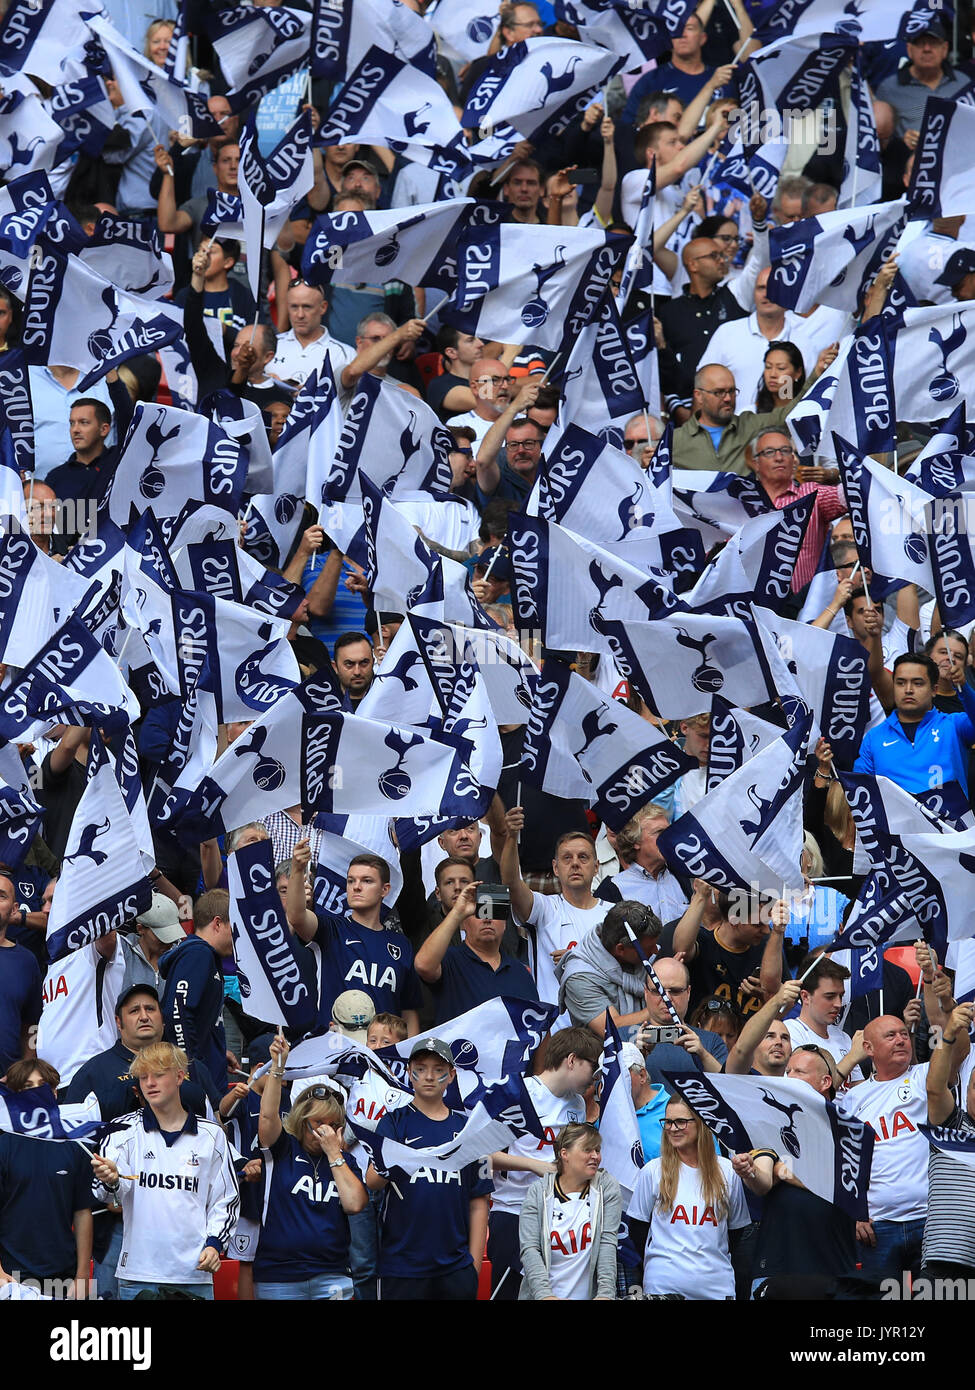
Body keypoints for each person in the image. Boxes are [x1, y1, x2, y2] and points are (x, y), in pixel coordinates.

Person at [62, 982, 221, 1300]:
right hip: (117, 1225)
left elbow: (216, 1132)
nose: (144, 1016)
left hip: (183, 1227)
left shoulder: (191, 1068)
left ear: (163, 1019)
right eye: (134, 1010)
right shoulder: (93, 1073)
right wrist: (104, 1192)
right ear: (118, 1023)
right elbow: (72, 1145)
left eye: (151, 1008)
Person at [837, 987, 967, 1284]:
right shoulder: (853, 1099)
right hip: (878, 1227)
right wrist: (853, 1213)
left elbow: (958, 1052)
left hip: (931, 1222)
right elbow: (843, 1162)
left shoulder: (925, 1075)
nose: (900, 1039)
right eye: (890, 1036)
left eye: (903, 1034)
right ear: (868, 1049)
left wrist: (951, 1016)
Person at [90, 1043, 240, 1300]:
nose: (150, 1083)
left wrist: (215, 1244)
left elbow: (225, 1200)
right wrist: (112, 1180)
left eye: (158, 1074)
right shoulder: (120, 1131)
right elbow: (105, 1192)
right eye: (144, 1076)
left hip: (194, 1273)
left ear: (180, 1076)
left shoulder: (212, 1136)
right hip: (138, 1274)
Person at [733, 1043, 865, 1299]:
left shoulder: (849, 1129)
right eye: (788, 1071)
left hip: (834, 1265)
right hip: (777, 1264)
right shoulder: (770, 1124)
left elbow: (841, 1181)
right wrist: (749, 1171)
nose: (790, 1077)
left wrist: (781, 1170)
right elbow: (762, 1183)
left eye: (799, 1072)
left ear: (825, 1081)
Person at [366, 1037, 492, 1300]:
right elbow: (372, 1181)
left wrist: (473, 1268)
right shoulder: (393, 1122)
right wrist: (403, 1156)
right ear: (409, 1072)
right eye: (421, 1068)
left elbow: (479, 1201)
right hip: (402, 1266)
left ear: (451, 1075)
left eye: (438, 1069)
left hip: (456, 1268)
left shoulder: (470, 1128)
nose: (429, 1076)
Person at [252, 1036, 368, 1300]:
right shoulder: (283, 1149)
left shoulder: (344, 1162)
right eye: (318, 1122)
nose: (325, 1129)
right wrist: (277, 1068)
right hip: (279, 1277)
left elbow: (355, 1204)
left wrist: (333, 1154)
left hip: (333, 1275)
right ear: (303, 1120)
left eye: (333, 1123)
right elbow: (268, 1117)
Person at [489, 1026, 600, 1300]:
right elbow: (485, 1156)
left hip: (558, 1216)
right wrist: (533, 1165)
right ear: (572, 1060)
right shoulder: (517, 1093)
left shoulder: (577, 1104)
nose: (595, 1078)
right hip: (513, 1210)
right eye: (592, 1068)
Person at [287, 840, 422, 1033]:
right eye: (351, 881)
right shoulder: (331, 928)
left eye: (366, 881)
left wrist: (407, 1057)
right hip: (335, 1047)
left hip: (381, 1052)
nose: (356, 887)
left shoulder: (401, 945)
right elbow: (296, 915)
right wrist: (297, 869)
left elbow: (408, 1010)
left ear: (385, 890)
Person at [627, 1095, 751, 1299]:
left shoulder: (727, 1170)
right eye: (668, 1122)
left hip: (717, 1287)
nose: (673, 1128)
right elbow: (638, 1229)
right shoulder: (652, 1171)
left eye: (681, 1121)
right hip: (664, 1285)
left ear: (701, 1123)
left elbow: (736, 1232)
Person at [0, 1058, 92, 1299]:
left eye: (43, 1085)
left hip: (64, 1273)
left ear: (54, 1092)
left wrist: (83, 1276)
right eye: (28, 1087)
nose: (37, 1092)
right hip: (11, 1273)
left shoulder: (73, 1146)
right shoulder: (3, 1145)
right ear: (16, 1095)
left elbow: (82, 1213)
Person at [502, 811, 609, 1008]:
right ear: (556, 868)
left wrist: (577, 958)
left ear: (596, 867)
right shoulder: (545, 908)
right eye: (567, 858)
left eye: (583, 857)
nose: (575, 863)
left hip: (604, 1028)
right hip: (557, 1031)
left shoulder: (613, 914)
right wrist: (510, 837)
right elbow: (511, 882)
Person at [518, 1122, 622, 1301]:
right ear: (564, 1153)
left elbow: (607, 1243)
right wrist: (545, 1296)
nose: (595, 1156)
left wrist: (605, 1294)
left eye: (597, 1150)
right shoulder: (538, 1191)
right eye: (588, 1150)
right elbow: (530, 1249)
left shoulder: (607, 1187)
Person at [414, 878, 539, 1023]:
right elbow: (423, 965)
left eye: (494, 912)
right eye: (479, 912)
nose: (487, 919)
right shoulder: (450, 960)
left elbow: (536, 1026)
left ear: (505, 923)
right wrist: (457, 912)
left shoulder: (520, 972)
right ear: (463, 923)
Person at [855, 652, 975, 797]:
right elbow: (861, 793)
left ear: (934, 690)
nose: (908, 690)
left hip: (950, 819)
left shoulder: (954, 725)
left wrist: (964, 688)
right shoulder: (873, 738)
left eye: (918, 683)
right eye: (900, 683)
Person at [672, 886, 789, 1016]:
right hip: (704, 1033)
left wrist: (766, 996)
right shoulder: (704, 942)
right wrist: (701, 894)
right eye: (758, 925)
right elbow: (681, 949)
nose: (767, 931)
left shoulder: (768, 946)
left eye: (768, 923)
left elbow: (785, 1006)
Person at [922, 1001, 975, 1283]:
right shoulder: (952, 1126)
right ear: (965, 1092)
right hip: (946, 1261)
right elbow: (934, 1088)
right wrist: (949, 1033)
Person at [159, 890, 233, 1091]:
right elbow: (178, 1013)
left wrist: (217, 1049)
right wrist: (188, 1069)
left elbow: (198, 1019)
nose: (237, 938)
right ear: (217, 923)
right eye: (234, 928)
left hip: (205, 1077)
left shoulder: (204, 955)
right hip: (193, 1085)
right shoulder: (198, 954)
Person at [556, 901, 663, 1036]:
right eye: (648, 948)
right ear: (621, 949)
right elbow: (613, 1027)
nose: (656, 951)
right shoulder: (579, 979)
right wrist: (663, 1003)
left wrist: (668, 978)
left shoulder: (643, 958)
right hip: (603, 1054)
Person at [635, 952, 727, 1084]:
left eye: (675, 991)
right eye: (657, 991)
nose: (666, 998)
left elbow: (729, 1089)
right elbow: (608, 1092)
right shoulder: (621, 1038)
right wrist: (637, 1056)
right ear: (645, 992)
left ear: (688, 992)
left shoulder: (711, 1041)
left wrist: (703, 1055)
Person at [596, 804, 690, 928]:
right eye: (659, 832)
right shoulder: (613, 889)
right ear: (635, 841)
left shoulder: (683, 876)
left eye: (669, 832)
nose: (668, 838)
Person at [784, 956, 861, 1077]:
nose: (838, 1004)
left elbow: (858, 1091)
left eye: (841, 996)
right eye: (829, 996)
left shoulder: (843, 1037)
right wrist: (851, 1059)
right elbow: (808, 1092)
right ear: (805, 997)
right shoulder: (789, 1033)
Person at [0, 869, 43, 1076]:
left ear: (14, 909)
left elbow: (31, 1024)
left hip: (7, 1084)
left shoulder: (26, 961)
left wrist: (24, 1073)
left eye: (1, 896)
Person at [725, 980, 801, 1077]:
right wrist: (777, 1000)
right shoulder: (738, 1076)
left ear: (791, 1050)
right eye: (769, 1036)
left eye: (785, 1038)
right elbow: (741, 1049)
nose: (779, 1042)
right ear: (753, 1045)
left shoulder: (797, 1087)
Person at [426, 327, 485, 420]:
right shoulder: (439, 386)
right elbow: (489, 401)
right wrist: (509, 352)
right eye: (470, 340)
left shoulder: (484, 379)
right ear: (451, 352)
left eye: (479, 338)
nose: (481, 344)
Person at [332, 631, 375, 710]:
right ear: (335, 667)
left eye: (364, 663)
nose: (357, 672)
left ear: (373, 662)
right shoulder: (322, 707)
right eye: (349, 664)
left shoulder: (388, 702)